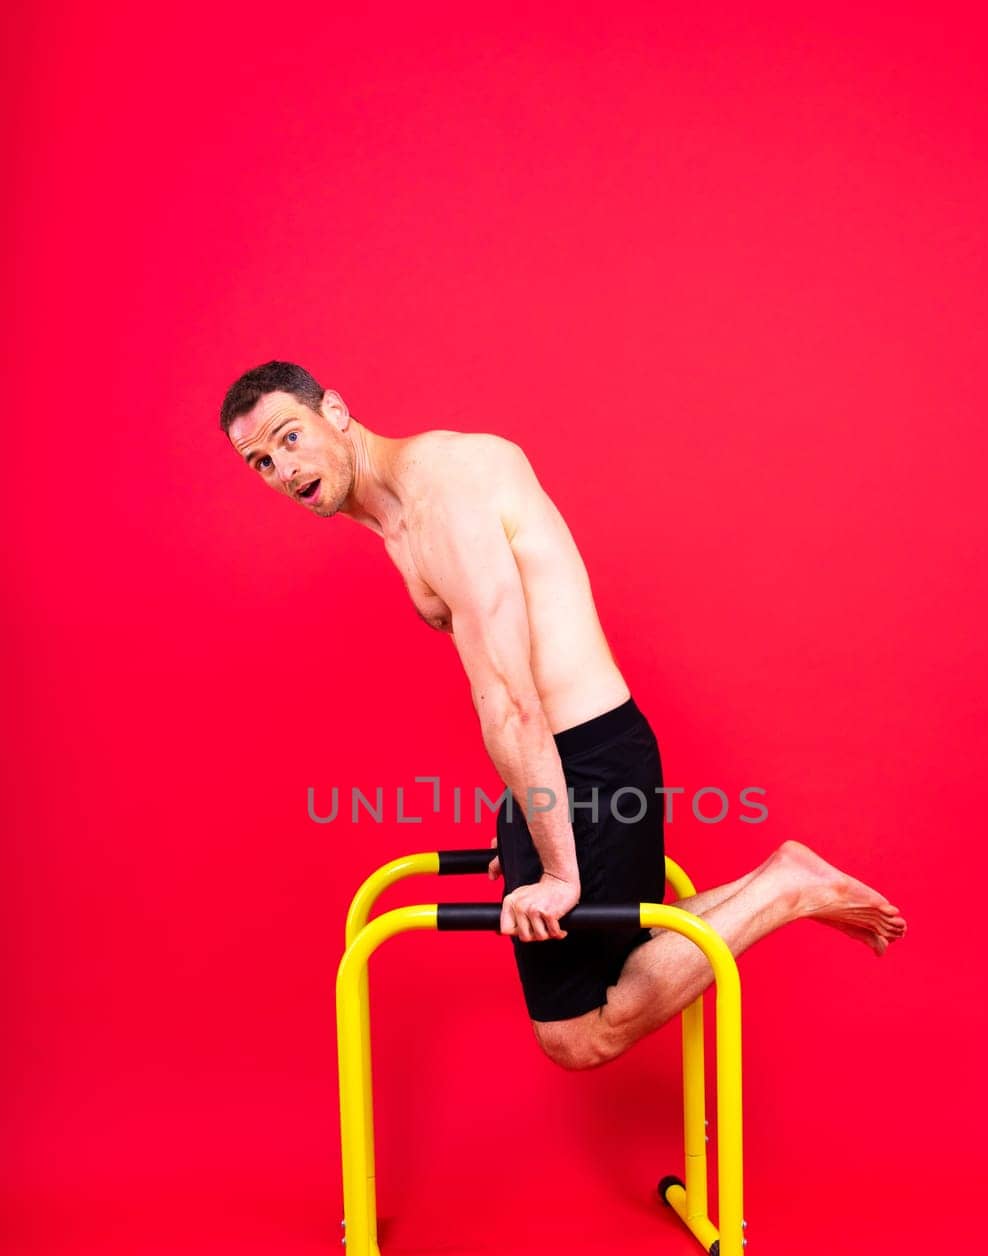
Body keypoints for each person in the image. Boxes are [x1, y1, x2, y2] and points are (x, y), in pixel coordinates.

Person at [220, 360, 906, 1069]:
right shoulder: (397, 511)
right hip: (561, 767)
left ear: (333, 410)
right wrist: (526, 823)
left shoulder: (441, 494)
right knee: (624, 956)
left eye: (289, 436)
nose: (281, 468)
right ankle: (781, 883)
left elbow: (510, 692)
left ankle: (787, 888)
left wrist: (557, 867)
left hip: (587, 765)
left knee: (577, 1032)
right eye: (262, 461)